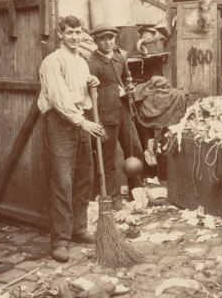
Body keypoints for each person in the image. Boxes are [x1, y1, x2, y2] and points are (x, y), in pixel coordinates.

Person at [38, 16, 106, 262]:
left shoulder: (81, 62)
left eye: (78, 32)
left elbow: (81, 95)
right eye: (70, 33)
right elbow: (58, 99)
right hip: (60, 123)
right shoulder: (52, 62)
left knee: (83, 178)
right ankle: (61, 240)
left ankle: (78, 229)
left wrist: (91, 84)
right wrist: (82, 121)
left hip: (80, 120)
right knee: (62, 182)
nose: (75, 37)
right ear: (60, 34)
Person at [87, 23, 145, 210]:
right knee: (107, 156)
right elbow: (90, 92)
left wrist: (129, 89)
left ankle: (136, 189)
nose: (107, 42)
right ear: (96, 41)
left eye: (110, 38)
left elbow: (125, 79)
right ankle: (112, 197)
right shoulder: (91, 63)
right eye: (103, 39)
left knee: (134, 148)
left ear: (115, 39)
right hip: (105, 114)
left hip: (123, 111)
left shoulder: (120, 57)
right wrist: (115, 92)